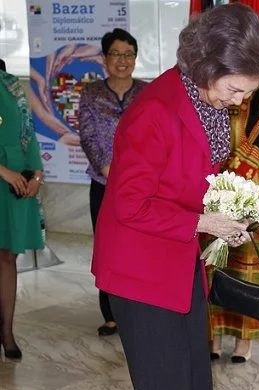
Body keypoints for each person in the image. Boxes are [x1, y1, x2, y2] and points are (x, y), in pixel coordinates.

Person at [91, 3, 259, 390]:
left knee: (193, 386)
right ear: (209, 67)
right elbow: (127, 204)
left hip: (176, 263)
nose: (242, 102)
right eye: (238, 90)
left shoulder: (199, 97)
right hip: (140, 273)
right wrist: (201, 219)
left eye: (248, 92)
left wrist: (225, 210)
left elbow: (187, 176)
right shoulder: (155, 111)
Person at [79, 29, 147, 336]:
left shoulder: (148, 92)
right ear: (105, 58)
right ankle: (110, 313)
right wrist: (109, 171)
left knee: (138, 247)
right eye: (116, 54)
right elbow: (88, 136)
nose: (123, 61)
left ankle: (138, 308)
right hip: (104, 183)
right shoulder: (91, 93)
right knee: (108, 247)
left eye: (128, 54)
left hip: (142, 186)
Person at [203, 85, 259, 363]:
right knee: (213, 259)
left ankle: (244, 339)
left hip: (246, 181)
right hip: (213, 178)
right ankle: (214, 335)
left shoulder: (255, 90)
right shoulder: (212, 86)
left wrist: (235, 180)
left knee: (246, 261)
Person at [0, 59, 44, 360]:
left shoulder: (11, 83)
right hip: (5, 175)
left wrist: (36, 174)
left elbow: (28, 131)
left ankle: (7, 332)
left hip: (15, 182)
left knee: (7, 255)